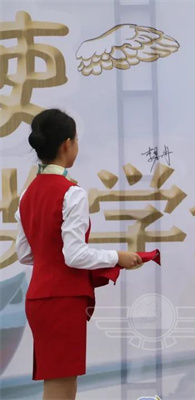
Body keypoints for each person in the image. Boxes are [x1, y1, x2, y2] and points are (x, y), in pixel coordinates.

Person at [15, 109, 144, 400]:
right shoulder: (72, 192)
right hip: (62, 298)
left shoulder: (27, 193)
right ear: (67, 144)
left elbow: (25, 253)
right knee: (61, 385)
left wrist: (50, 258)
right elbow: (73, 255)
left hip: (38, 298)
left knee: (60, 380)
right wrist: (117, 257)